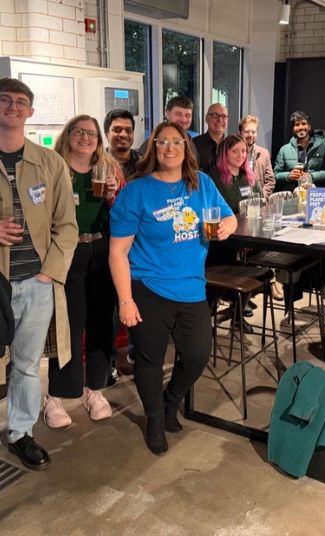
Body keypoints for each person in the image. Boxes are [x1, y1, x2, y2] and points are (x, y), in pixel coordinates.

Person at [0, 78, 78, 485]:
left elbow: (67, 227)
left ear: (30, 112)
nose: (13, 107)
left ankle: (20, 432)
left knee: (25, 365)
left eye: (21, 102)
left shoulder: (50, 163)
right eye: (5, 100)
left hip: (36, 283)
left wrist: (48, 273)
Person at [109, 121, 237, 455]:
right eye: (162, 142)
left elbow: (230, 216)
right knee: (150, 360)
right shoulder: (136, 191)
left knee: (196, 354)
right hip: (148, 286)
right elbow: (118, 252)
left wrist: (226, 226)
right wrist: (125, 300)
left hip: (192, 286)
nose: (170, 148)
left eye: (177, 142)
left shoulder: (202, 183)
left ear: (186, 148)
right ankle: (154, 419)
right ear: (153, 148)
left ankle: (170, 401)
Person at [42, 115, 122, 428]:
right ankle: (57, 395)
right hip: (67, 251)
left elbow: (122, 213)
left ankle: (95, 389)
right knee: (68, 325)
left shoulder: (109, 169)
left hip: (100, 249)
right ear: (69, 135)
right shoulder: (55, 168)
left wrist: (115, 194)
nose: (86, 138)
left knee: (102, 322)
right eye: (80, 132)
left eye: (91, 133)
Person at [273, 110, 325, 189]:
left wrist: (311, 176)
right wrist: (289, 176)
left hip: (316, 194)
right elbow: (276, 174)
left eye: (304, 124)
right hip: (293, 194)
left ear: (309, 127)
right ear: (293, 129)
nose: (301, 127)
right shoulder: (284, 150)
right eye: (297, 124)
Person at [208, 133, 257, 213]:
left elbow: (260, 202)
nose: (240, 155)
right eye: (235, 151)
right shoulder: (214, 177)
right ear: (225, 153)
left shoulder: (249, 175)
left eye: (243, 151)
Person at [239, 114, 275, 199]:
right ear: (240, 133)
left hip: (259, 203)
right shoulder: (234, 154)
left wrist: (261, 197)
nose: (250, 135)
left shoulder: (264, 153)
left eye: (253, 132)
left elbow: (270, 181)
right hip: (238, 203)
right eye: (247, 132)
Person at [192, 103, 228, 173]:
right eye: (215, 115)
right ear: (206, 118)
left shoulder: (232, 146)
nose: (220, 120)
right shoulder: (193, 145)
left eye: (223, 116)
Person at [104, 108, 140, 179]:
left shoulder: (143, 163)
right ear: (107, 134)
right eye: (117, 130)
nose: (123, 135)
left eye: (128, 130)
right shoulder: (97, 161)